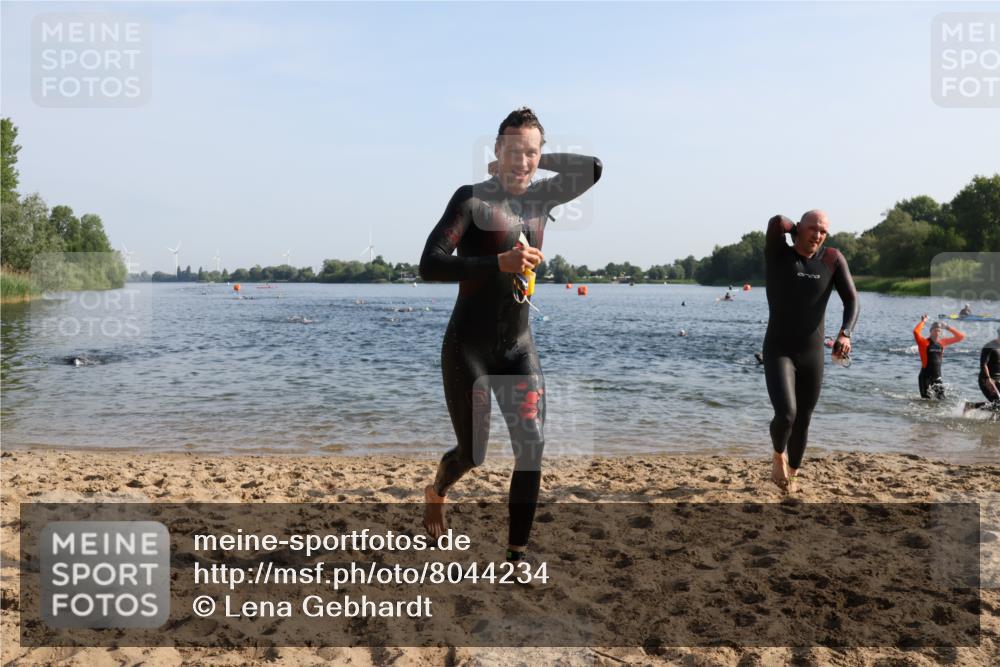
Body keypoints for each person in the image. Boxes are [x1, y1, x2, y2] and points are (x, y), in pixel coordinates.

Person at [419, 107, 602, 562]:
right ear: (496, 151)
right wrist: (496, 263)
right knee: (473, 454)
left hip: (519, 347)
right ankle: (437, 489)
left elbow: (593, 168)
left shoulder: (542, 198)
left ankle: (516, 557)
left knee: (531, 447)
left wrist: (535, 155)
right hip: (469, 347)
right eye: (512, 151)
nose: (522, 162)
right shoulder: (471, 200)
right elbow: (430, 264)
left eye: (531, 153)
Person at [764, 211, 858, 493]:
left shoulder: (832, 259)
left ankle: (793, 476)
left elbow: (852, 300)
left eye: (823, 231)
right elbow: (776, 222)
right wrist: (794, 228)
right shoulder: (779, 254)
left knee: (803, 420)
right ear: (799, 228)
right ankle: (778, 455)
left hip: (812, 354)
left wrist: (845, 333)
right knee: (786, 414)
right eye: (813, 229)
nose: (818, 235)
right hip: (779, 349)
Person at [913, 315, 965, 399]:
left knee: (942, 400)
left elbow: (960, 337)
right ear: (931, 331)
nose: (937, 332)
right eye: (935, 330)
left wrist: (948, 327)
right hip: (925, 377)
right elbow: (916, 332)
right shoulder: (924, 342)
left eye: (939, 331)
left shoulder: (942, 343)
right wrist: (923, 321)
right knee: (925, 401)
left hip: (937, 377)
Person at [978, 328, 1000, 405]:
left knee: (997, 405)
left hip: (998, 379)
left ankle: (972, 406)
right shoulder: (989, 347)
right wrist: (988, 379)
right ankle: (971, 406)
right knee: (998, 403)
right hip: (986, 379)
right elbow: (983, 364)